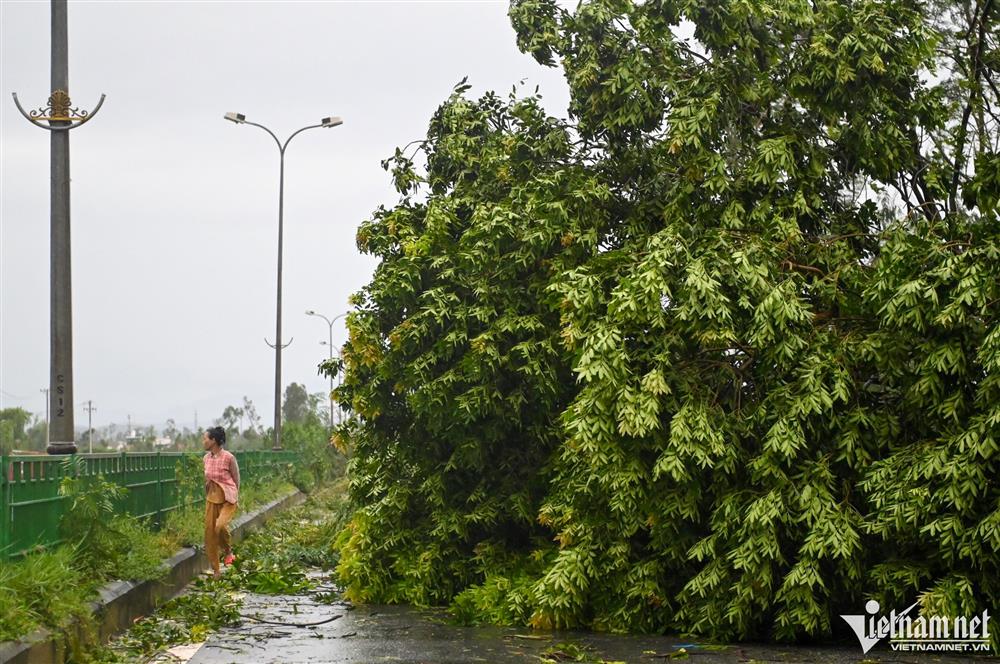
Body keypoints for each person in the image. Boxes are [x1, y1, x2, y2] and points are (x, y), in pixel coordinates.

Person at [202, 426, 240, 579]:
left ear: (214, 441)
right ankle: (216, 571)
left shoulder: (229, 457)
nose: (203, 441)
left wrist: (235, 494)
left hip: (228, 497)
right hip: (212, 497)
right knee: (210, 534)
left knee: (220, 526)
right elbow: (208, 478)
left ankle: (228, 551)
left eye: (205, 438)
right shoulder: (206, 458)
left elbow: (236, 478)